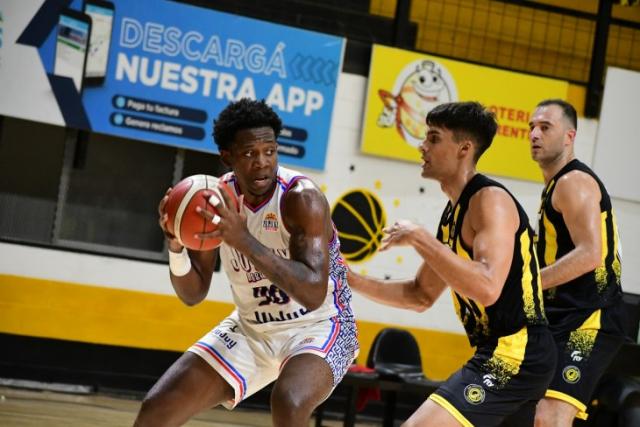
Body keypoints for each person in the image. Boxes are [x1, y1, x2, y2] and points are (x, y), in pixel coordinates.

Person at [134, 98, 358, 426]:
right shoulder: (217, 199)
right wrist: (176, 244)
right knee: (157, 408)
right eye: (250, 153)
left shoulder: (301, 198)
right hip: (252, 328)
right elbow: (193, 294)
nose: (262, 162)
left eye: (270, 151)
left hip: (322, 325)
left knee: (289, 401)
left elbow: (312, 293)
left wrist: (244, 241)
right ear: (228, 157)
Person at [348, 101, 555, 427]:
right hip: (502, 351)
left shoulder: (491, 200)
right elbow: (420, 295)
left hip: (517, 351)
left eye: (433, 138)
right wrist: (350, 279)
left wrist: (419, 238)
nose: (422, 146)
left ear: (464, 149)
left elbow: (487, 286)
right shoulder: (452, 214)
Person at [529, 99, 625, 426]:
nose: (534, 134)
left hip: (592, 316)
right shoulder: (555, 186)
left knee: (550, 416)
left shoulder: (573, 182)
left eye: (545, 127)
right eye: (531, 127)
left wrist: (527, 283)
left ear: (569, 136)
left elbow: (590, 254)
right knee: (533, 412)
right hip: (564, 314)